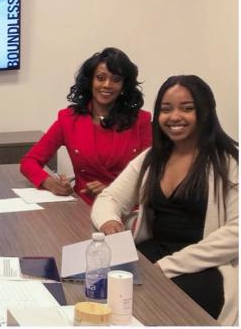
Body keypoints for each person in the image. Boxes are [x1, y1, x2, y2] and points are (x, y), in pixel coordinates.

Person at [92, 75, 237, 324]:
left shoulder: (228, 161)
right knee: (96, 289)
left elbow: (236, 232)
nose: (174, 117)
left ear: (205, 112)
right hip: (153, 254)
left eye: (187, 108)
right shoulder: (153, 157)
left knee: (147, 309)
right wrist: (109, 222)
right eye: (166, 109)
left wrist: (167, 267)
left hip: (203, 265)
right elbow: (111, 197)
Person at [20, 47, 152, 205]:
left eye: (116, 80)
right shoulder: (69, 119)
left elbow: (151, 174)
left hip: (127, 208)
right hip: (83, 207)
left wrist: (113, 190)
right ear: (90, 81)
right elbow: (29, 162)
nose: (107, 85)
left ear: (124, 86)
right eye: (101, 78)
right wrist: (50, 183)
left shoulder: (140, 121)